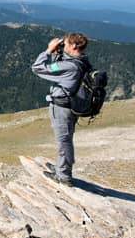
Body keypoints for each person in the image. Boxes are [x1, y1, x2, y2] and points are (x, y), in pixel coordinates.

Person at [31, 32, 91, 187]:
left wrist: (48, 51)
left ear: (73, 45)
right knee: (66, 139)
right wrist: (59, 54)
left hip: (62, 108)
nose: (63, 46)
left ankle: (63, 176)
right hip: (71, 106)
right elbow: (60, 70)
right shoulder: (81, 62)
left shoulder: (70, 66)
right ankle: (61, 168)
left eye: (66, 44)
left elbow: (37, 68)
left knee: (63, 141)